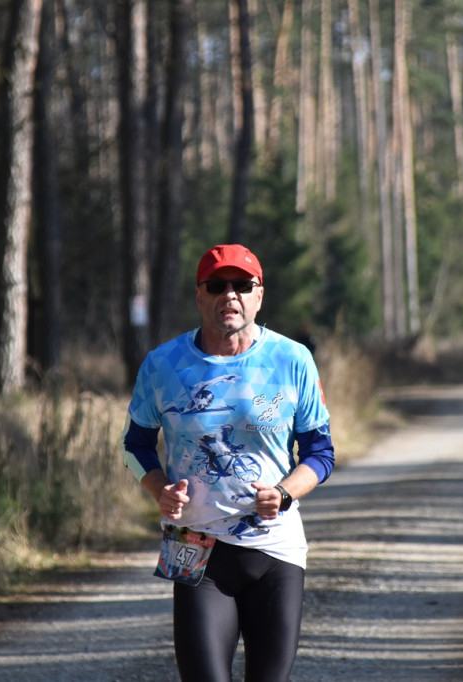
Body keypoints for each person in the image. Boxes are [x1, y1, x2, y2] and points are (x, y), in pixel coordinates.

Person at [122, 243, 335, 681]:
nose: (230, 295)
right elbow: (135, 444)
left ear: (260, 295)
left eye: (242, 285)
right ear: (199, 296)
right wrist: (159, 488)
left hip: (275, 550)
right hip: (195, 548)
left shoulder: (293, 360)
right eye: (217, 285)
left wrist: (284, 492)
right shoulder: (163, 364)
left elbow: (320, 452)